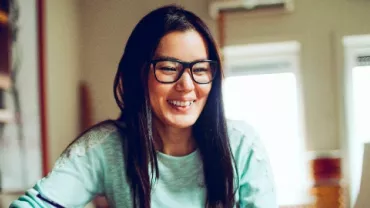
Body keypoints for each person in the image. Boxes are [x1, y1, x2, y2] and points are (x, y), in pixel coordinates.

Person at [10, 5, 276, 208]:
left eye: (200, 69)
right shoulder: (106, 148)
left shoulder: (241, 145)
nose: (187, 84)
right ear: (139, 74)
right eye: (169, 68)